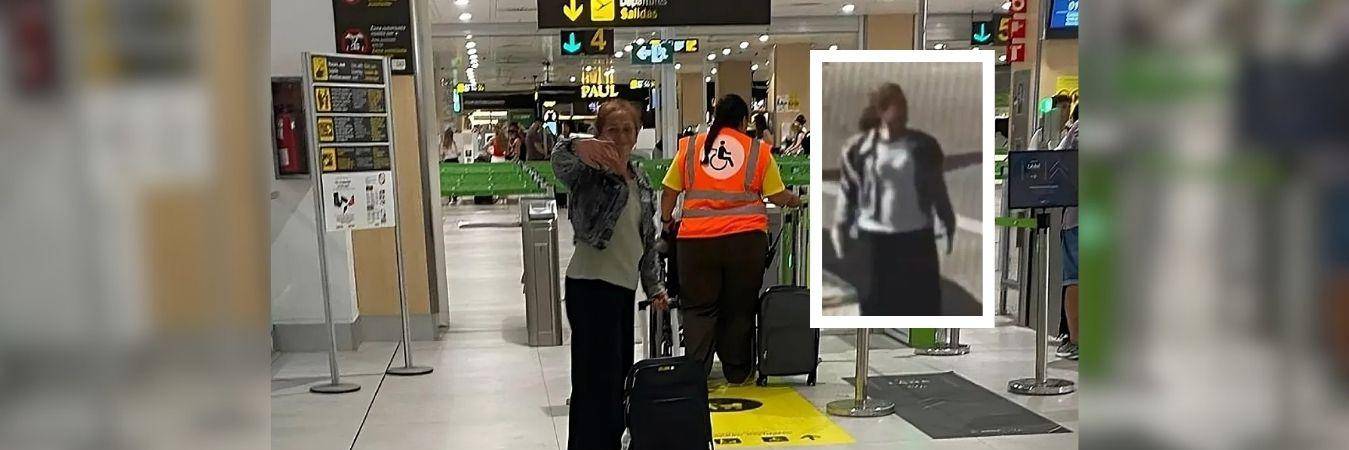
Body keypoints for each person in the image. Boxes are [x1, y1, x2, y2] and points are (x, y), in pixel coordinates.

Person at [659, 94, 803, 385]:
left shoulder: (690, 148)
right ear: (743, 120)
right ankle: (736, 371)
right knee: (738, 307)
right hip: (744, 243)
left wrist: (666, 220)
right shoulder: (757, 151)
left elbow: (669, 192)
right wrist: (794, 201)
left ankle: (695, 372)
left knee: (698, 308)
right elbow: (776, 194)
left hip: (695, 245)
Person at [551, 99, 668, 450]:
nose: (620, 136)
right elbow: (559, 161)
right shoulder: (587, 172)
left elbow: (645, 240)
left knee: (618, 377)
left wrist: (655, 286)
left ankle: (611, 442)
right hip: (590, 286)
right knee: (593, 381)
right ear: (599, 134)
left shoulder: (641, 178)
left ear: (637, 134)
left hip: (622, 289)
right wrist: (574, 144)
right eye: (612, 129)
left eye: (627, 129)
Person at [833, 83, 955, 316]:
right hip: (875, 241)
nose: (902, 113)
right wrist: (841, 230)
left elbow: (937, 187)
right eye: (896, 107)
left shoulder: (924, 146)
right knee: (876, 305)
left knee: (924, 305)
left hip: (917, 238)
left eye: (904, 106)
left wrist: (948, 221)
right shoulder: (859, 149)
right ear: (881, 111)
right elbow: (848, 192)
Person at [1055, 105, 1080, 361]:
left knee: (1075, 278)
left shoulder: (1077, 131)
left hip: (1079, 215)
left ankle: (1076, 340)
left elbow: (1056, 163)